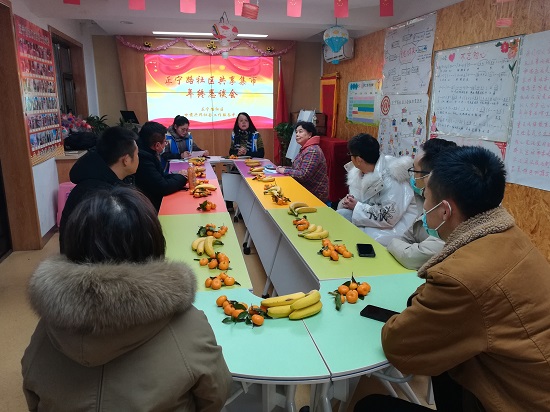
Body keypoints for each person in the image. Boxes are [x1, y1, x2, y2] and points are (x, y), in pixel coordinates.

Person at [355, 147, 550, 411]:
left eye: (425, 198)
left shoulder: (461, 278)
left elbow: (398, 345)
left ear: (444, 210)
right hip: (529, 382)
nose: (423, 207)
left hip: (517, 401)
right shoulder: (512, 236)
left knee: (370, 405)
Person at [22, 187, 233, 411]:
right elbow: (215, 396)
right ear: (153, 243)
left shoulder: (47, 330)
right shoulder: (189, 326)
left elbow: (33, 395)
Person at [58, 126, 139, 253]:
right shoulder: (103, 195)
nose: (139, 158)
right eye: (137, 154)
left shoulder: (96, 180)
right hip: (91, 263)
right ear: (126, 160)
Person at [386, 138, 457, 269]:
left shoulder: (450, 208)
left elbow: (414, 257)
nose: (412, 177)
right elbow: (407, 237)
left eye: (415, 171)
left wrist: (392, 243)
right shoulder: (423, 197)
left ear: (430, 176)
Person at [336, 133, 417, 246]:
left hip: (394, 229)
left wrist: (357, 206)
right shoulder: (362, 172)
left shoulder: (392, 178)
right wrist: (351, 202)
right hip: (375, 222)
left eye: (350, 154)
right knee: (341, 215)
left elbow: (389, 216)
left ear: (358, 159)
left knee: (347, 233)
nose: (350, 158)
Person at [134, 121, 188, 211]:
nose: (165, 144)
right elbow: (163, 187)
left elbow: (159, 177)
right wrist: (182, 178)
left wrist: (179, 175)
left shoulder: (146, 151)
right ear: (157, 145)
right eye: (165, 142)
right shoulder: (144, 159)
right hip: (149, 207)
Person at [275, 121, 329, 202]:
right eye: (296, 132)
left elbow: (303, 175)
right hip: (304, 190)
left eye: (300, 131)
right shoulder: (306, 148)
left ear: (310, 134)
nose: (297, 134)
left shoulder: (312, 150)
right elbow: (297, 169)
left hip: (314, 195)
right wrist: (283, 168)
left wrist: (284, 170)